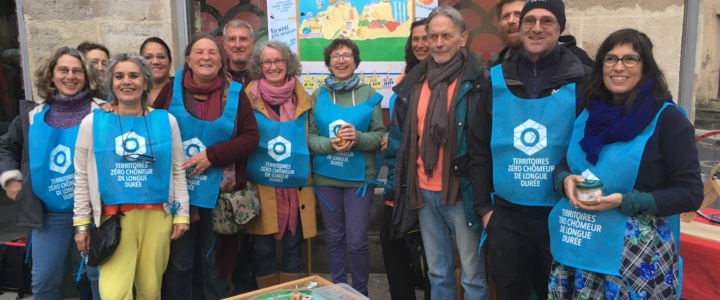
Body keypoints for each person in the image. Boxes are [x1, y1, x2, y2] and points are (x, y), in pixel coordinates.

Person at [546, 28, 703, 300]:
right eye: (610, 59)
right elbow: (565, 162)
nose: (619, 67)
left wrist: (626, 201)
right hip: (578, 246)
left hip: (633, 261)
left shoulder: (668, 120)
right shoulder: (590, 113)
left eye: (630, 59)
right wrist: (563, 181)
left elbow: (690, 193)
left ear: (646, 67)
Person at [468, 1, 589, 299]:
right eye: (530, 20)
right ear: (520, 27)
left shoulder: (585, 78)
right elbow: (478, 147)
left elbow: (594, 145)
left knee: (563, 294)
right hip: (507, 217)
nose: (537, 28)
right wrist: (485, 209)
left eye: (547, 21)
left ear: (560, 27)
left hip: (563, 213)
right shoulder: (493, 78)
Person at [385, 6, 489, 299]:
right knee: (437, 273)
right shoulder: (414, 83)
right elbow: (400, 140)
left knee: (472, 276)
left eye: (447, 35)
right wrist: (396, 187)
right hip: (422, 193)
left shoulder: (479, 81)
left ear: (463, 37)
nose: (439, 43)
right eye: (433, 36)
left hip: (461, 192)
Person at [73, 52, 190, 299]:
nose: (127, 81)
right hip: (112, 220)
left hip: (156, 217)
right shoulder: (92, 123)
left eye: (134, 75)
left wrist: (182, 215)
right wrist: (82, 224)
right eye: (119, 76)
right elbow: (82, 177)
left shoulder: (166, 121)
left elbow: (178, 170)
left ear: (145, 82)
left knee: (150, 291)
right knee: (113, 293)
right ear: (111, 84)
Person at [154, 34, 259, 300]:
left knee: (214, 264)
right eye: (199, 52)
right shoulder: (170, 89)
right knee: (179, 265)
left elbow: (250, 137)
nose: (206, 57)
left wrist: (212, 156)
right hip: (176, 195)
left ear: (221, 59)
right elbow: (149, 127)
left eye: (212, 52)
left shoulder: (234, 92)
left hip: (218, 196)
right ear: (188, 60)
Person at [0, 46, 103, 300]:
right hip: (48, 214)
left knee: (99, 279)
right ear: (51, 75)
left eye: (77, 71)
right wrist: (11, 179)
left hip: (95, 212)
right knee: (44, 281)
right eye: (63, 70)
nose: (70, 76)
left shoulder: (104, 111)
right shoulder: (32, 115)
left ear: (87, 76)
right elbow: (6, 146)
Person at [308, 37, 385, 296]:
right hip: (326, 178)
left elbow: (379, 136)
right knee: (334, 238)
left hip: (359, 181)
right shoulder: (317, 95)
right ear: (328, 63)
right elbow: (309, 137)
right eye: (336, 56)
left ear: (355, 61)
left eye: (346, 55)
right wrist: (331, 144)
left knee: (357, 241)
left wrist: (358, 138)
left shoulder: (369, 94)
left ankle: (360, 293)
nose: (341, 60)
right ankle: (339, 291)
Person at [244, 40, 317, 288]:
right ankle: (267, 294)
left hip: (295, 187)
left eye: (278, 61)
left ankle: (290, 294)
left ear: (288, 64)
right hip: (261, 185)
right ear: (259, 66)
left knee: (293, 246)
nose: (273, 66)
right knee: (263, 248)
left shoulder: (303, 99)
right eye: (267, 62)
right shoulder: (246, 99)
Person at [380, 17, 432, 300]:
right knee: (392, 244)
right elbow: (398, 137)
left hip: (430, 183)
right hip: (400, 181)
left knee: (430, 256)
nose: (421, 44)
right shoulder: (405, 80)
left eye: (428, 37)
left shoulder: (447, 80)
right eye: (416, 39)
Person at [221, 19, 259, 294]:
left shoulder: (264, 78)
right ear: (224, 45)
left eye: (243, 39)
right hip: (226, 172)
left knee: (254, 244)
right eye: (232, 39)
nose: (237, 44)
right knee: (225, 244)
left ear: (253, 44)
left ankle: (249, 290)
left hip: (260, 170)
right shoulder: (217, 79)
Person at [489, 0, 593, 67]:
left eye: (518, 15)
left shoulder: (578, 61)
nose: (511, 21)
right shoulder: (494, 71)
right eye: (505, 16)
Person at [140, 37, 173, 103]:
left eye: (161, 57)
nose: (155, 62)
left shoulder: (181, 90)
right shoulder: (133, 91)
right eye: (148, 57)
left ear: (170, 63)